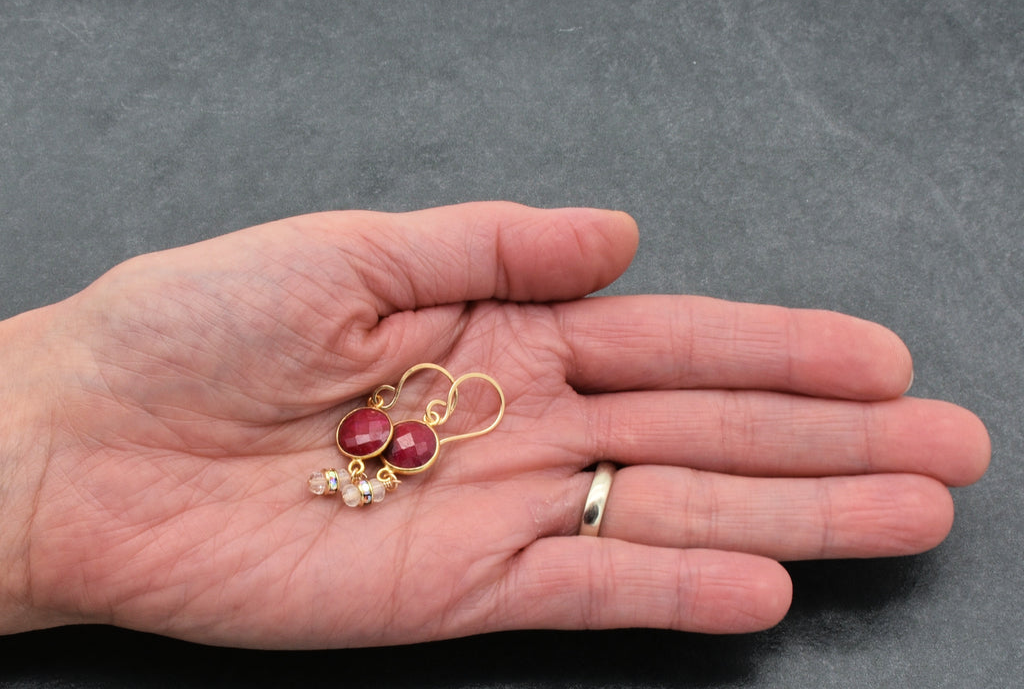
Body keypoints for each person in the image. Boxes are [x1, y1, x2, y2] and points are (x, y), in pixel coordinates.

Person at [0, 202, 990, 648]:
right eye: (387, 428)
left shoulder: (405, 435)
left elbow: (401, 436)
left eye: (388, 433)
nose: (388, 434)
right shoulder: (381, 430)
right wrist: (49, 415)